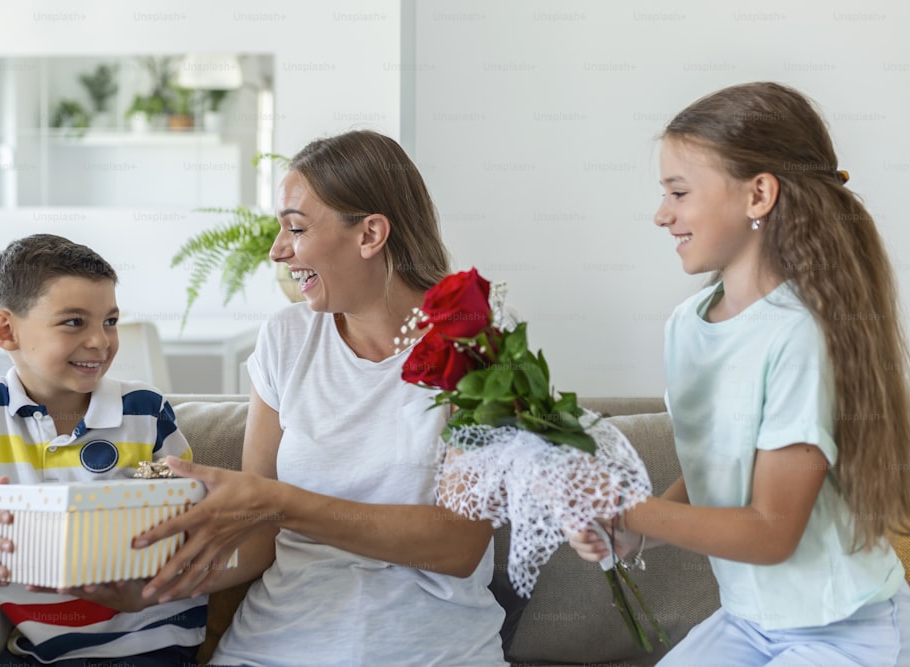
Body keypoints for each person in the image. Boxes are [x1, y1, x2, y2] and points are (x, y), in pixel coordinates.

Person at [133, 130, 509, 666]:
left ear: (370, 233)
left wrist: (283, 504)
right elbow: (259, 536)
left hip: (429, 651)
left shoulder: (476, 340)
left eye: (297, 228)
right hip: (270, 647)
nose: (277, 250)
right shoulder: (286, 339)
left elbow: (457, 545)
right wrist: (146, 591)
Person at [571, 82, 910, 665]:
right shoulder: (686, 326)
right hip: (749, 623)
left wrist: (631, 508)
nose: (661, 214)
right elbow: (716, 470)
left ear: (759, 195)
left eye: (679, 191)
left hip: (841, 628)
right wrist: (633, 530)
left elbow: (772, 530)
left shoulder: (799, 335)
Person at [0, 234, 204, 666]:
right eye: (75, 322)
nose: (100, 341)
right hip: (35, 647)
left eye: (109, 321)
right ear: (7, 331)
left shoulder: (145, 410)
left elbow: (189, 512)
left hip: (149, 640)